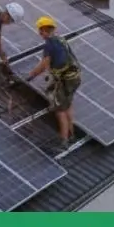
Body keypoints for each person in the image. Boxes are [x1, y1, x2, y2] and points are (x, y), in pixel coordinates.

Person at [24, 16, 82, 150]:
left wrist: (30, 76)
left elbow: (44, 65)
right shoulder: (61, 39)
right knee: (67, 105)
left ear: (46, 30)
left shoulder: (49, 44)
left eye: (41, 30)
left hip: (65, 81)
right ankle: (71, 134)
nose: (40, 33)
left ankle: (64, 141)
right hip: (75, 78)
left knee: (59, 109)